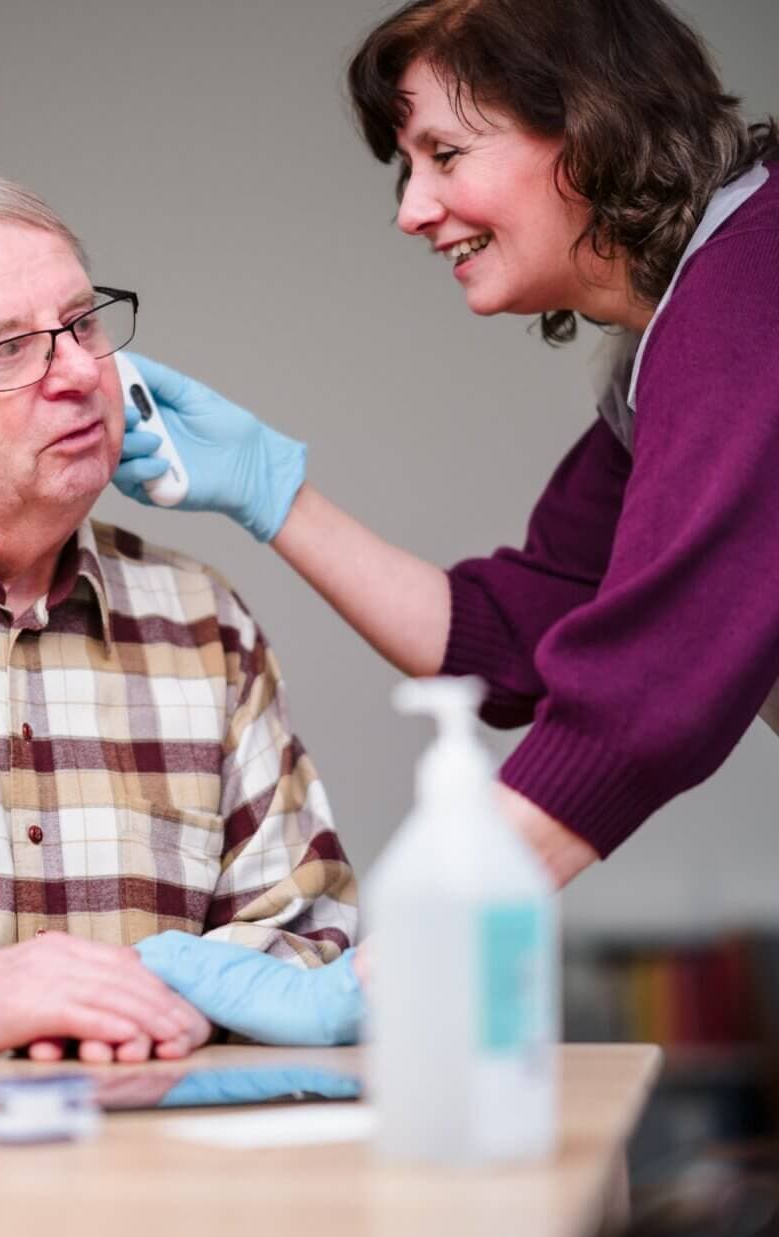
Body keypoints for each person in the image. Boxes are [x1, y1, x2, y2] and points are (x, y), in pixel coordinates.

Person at [112, 0, 779, 1043]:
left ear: (593, 128)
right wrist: (271, 493)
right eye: (403, 166)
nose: (412, 209)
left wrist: (387, 973)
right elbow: (519, 638)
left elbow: (656, 684)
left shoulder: (752, 295)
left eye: (445, 153)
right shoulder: (674, 344)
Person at [0, 161, 357, 1061]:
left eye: (82, 323)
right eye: (8, 348)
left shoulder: (204, 623)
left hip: (148, 1181)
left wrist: (160, 1005)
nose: (81, 372)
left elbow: (310, 926)